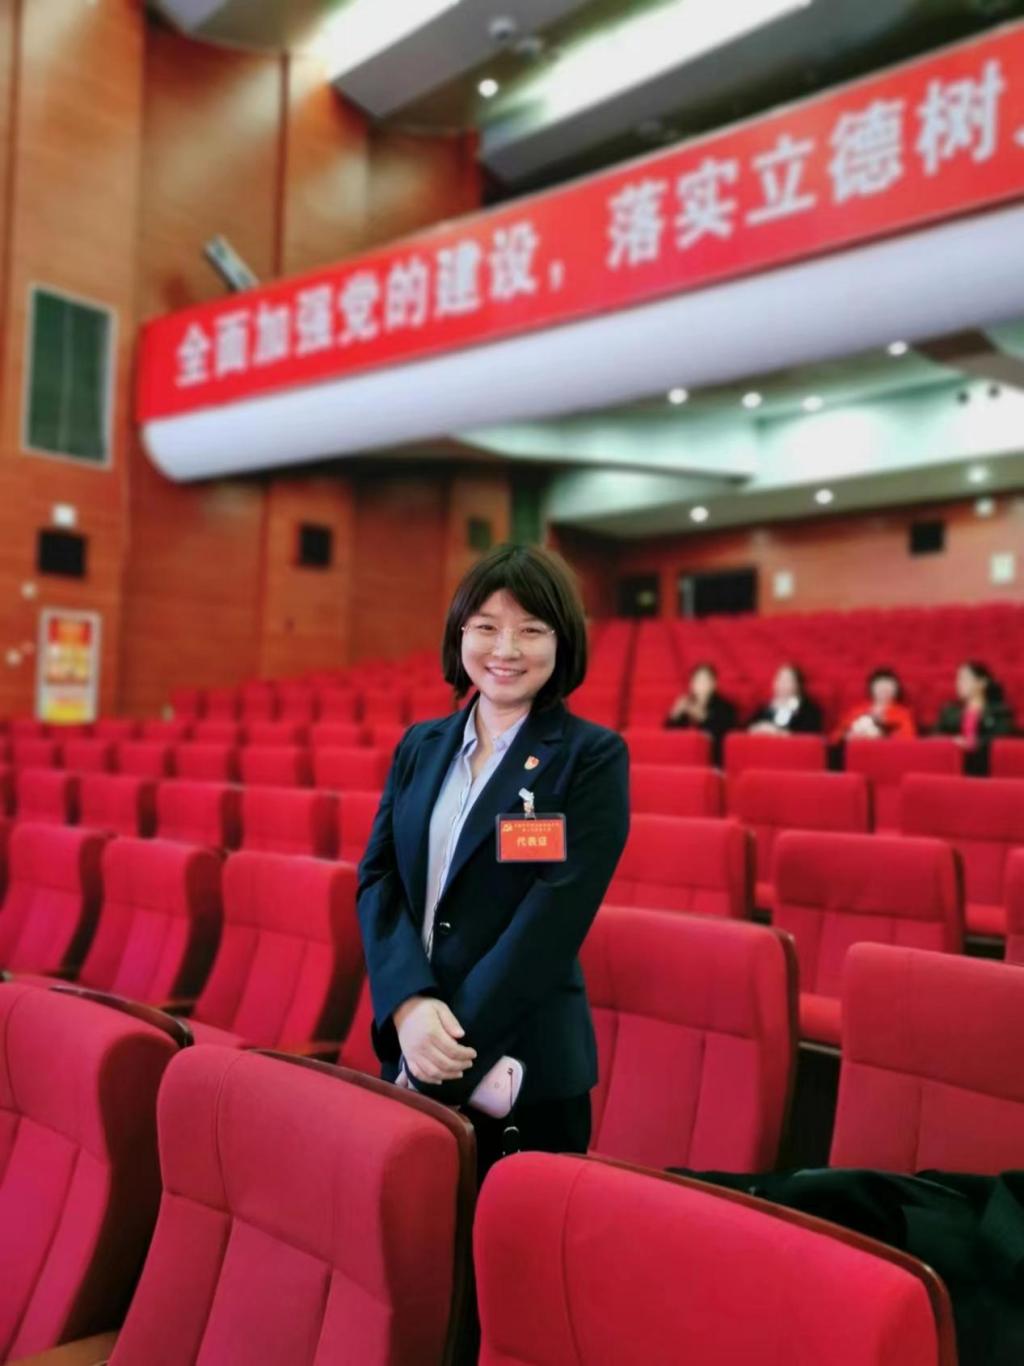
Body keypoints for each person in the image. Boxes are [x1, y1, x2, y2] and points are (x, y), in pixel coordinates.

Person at [357, 544, 629, 1181]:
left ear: (562, 642)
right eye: (486, 626)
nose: (505, 649)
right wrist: (407, 1005)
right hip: (413, 1043)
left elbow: (551, 921)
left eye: (531, 630)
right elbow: (379, 879)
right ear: (460, 635)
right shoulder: (420, 745)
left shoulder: (591, 758)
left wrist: (443, 1052)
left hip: (517, 1072)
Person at [936, 660, 1014, 774]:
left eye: (964, 679)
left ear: (981, 683)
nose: (959, 684)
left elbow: (1001, 738)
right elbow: (935, 736)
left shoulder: (999, 711)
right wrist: (953, 742)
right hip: (951, 765)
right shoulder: (949, 711)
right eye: (958, 679)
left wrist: (973, 743)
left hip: (986, 766)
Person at [666, 662, 737, 763]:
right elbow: (669, 734)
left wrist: (703, 718)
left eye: (705, 680)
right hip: (684, 756)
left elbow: (723, 738)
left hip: (711, 760)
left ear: (714, 684)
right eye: (697, 680)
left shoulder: (726, 707)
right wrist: (675, 714)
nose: (701, 684)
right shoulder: (686, 704)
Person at [833, 667, 916, 742]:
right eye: (880, 686)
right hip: (857, 749)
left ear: (896, 690)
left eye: (888, 686)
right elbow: (836, 736)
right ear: (871, 688)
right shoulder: (857, 711)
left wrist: (881, 734)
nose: (884, 689)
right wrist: (847, 736)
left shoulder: (902, 713)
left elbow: (908, 738)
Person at [748, 663, 823, 735]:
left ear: (798, 684)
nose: (782, 684)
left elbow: (809, 735)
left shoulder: (808, 710)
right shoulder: (764, 709)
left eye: (787, 680)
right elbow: (748, 729)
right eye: (780, 679)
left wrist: (779, 732)